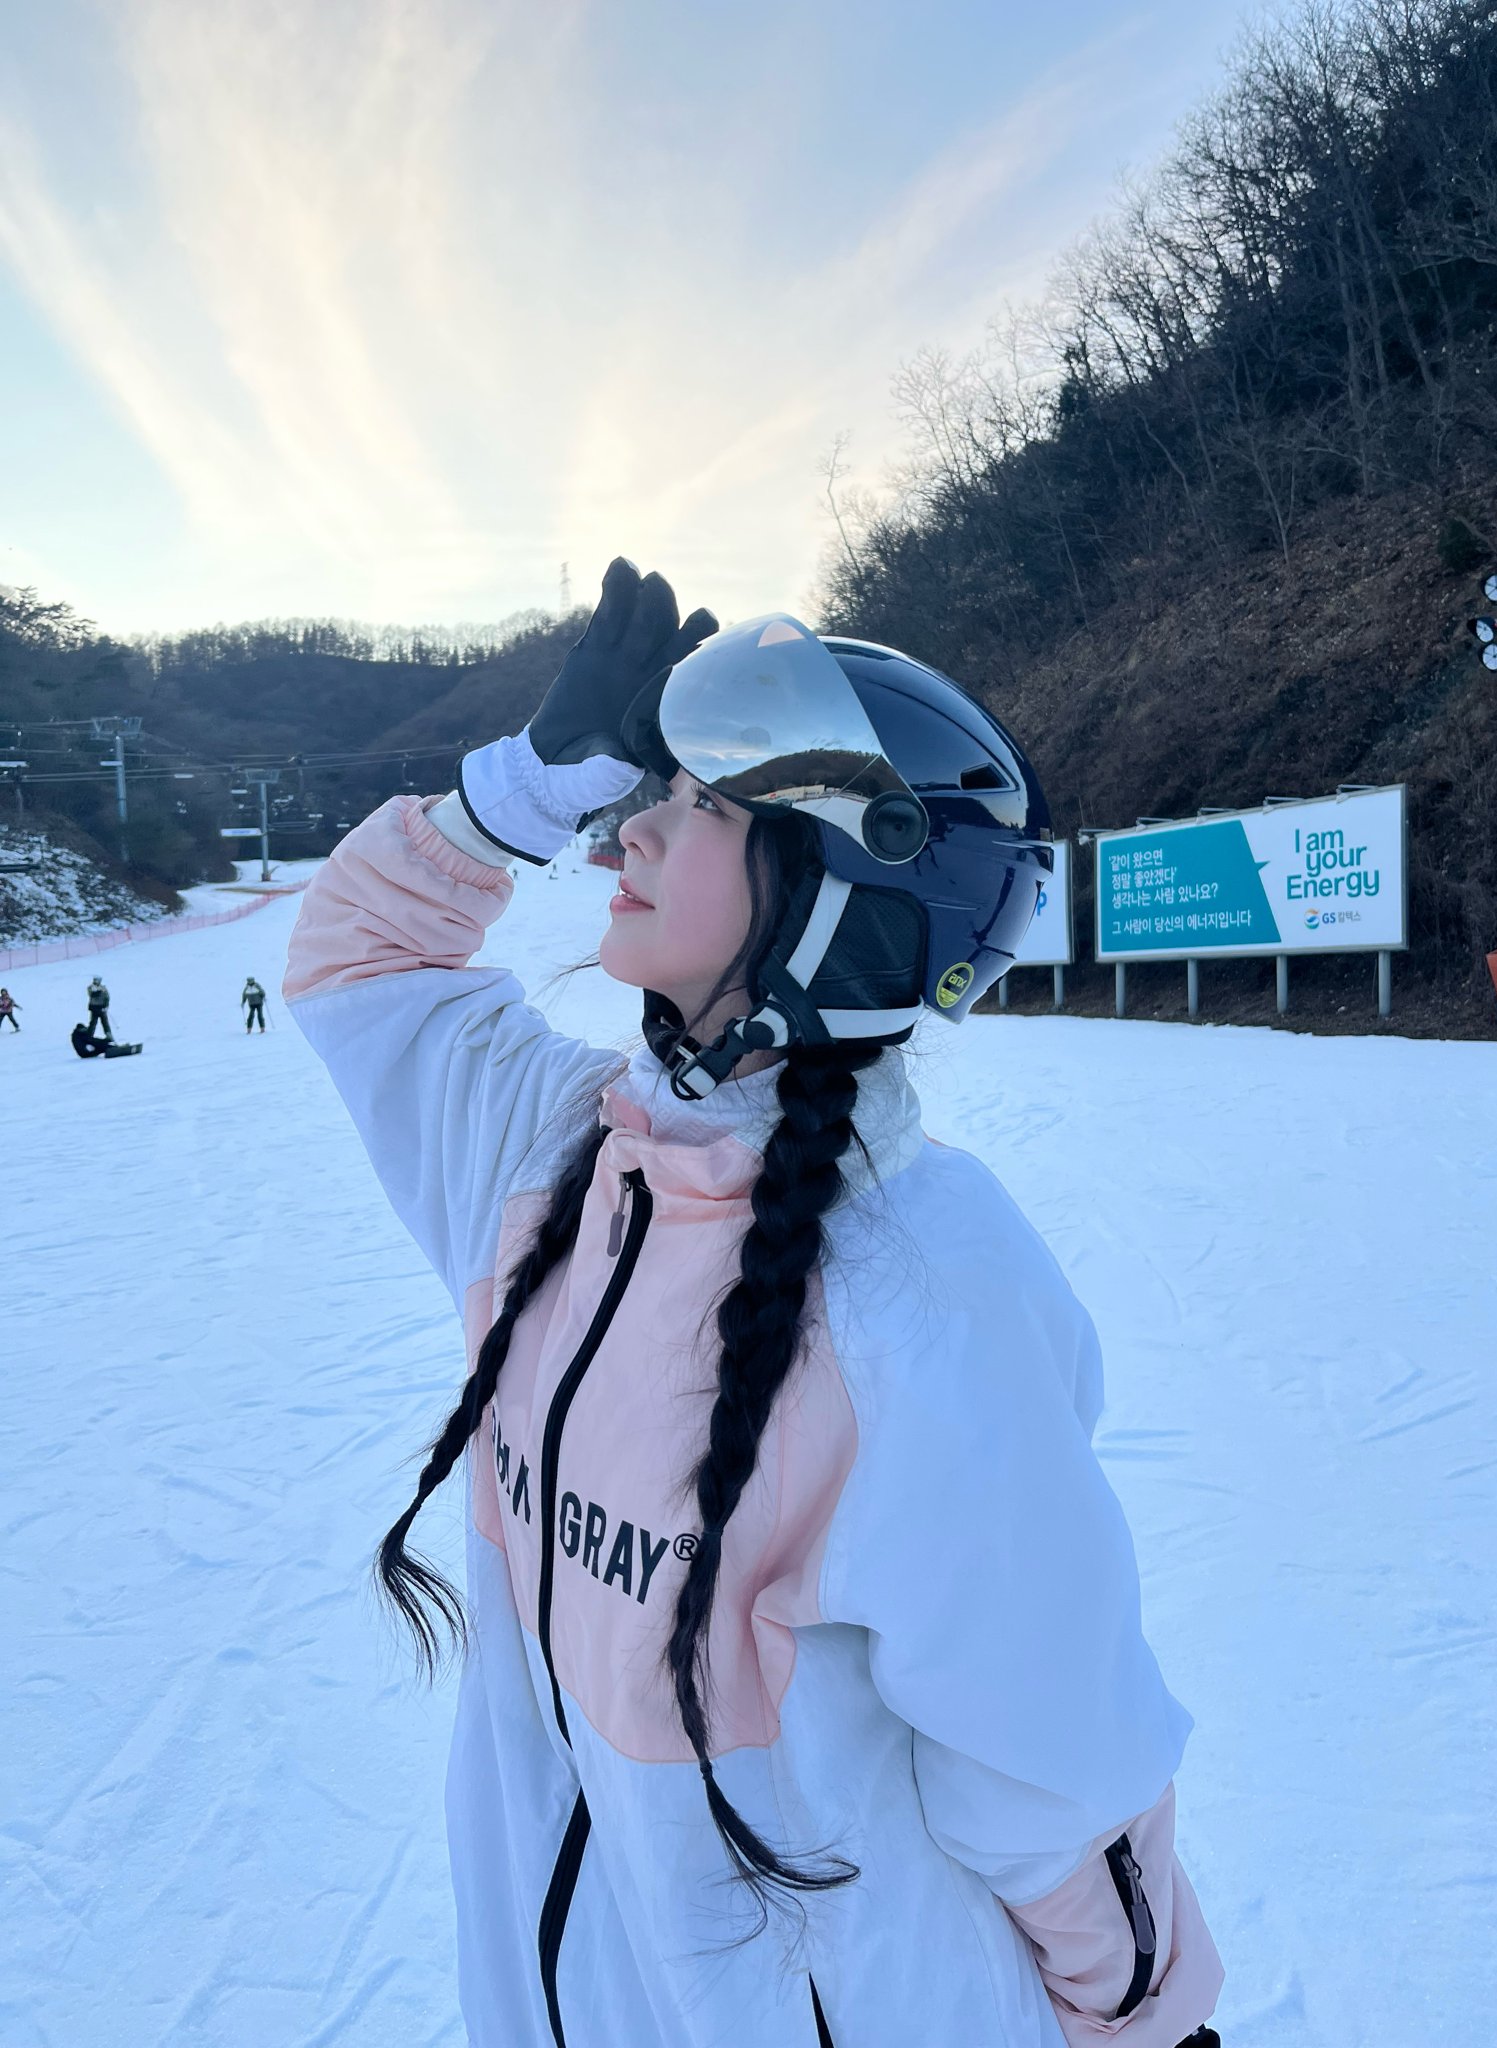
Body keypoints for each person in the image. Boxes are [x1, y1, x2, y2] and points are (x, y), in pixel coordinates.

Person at [284, 560, 1224, 2048]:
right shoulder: (548, 1154)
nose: (628, 831)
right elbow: (358, 961)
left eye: (703, 804)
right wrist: (524, 785)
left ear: (842, 895)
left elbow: (1054, 1775)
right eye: (647, 793)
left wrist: (1151, 2022)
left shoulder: (925, 1296)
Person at [85, 975, 112, 1041]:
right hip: (94, 1008)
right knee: (93, 1023)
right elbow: (92, 994)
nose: (96, 981)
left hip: (102, 1008)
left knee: (105, 1023)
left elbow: (107, 997)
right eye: (95, 980)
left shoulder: (103, 987)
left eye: (98, 980)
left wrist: (106, 1005)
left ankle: (109, 1035)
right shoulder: (91, 987)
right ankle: (89, 1036)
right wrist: (100, 992)